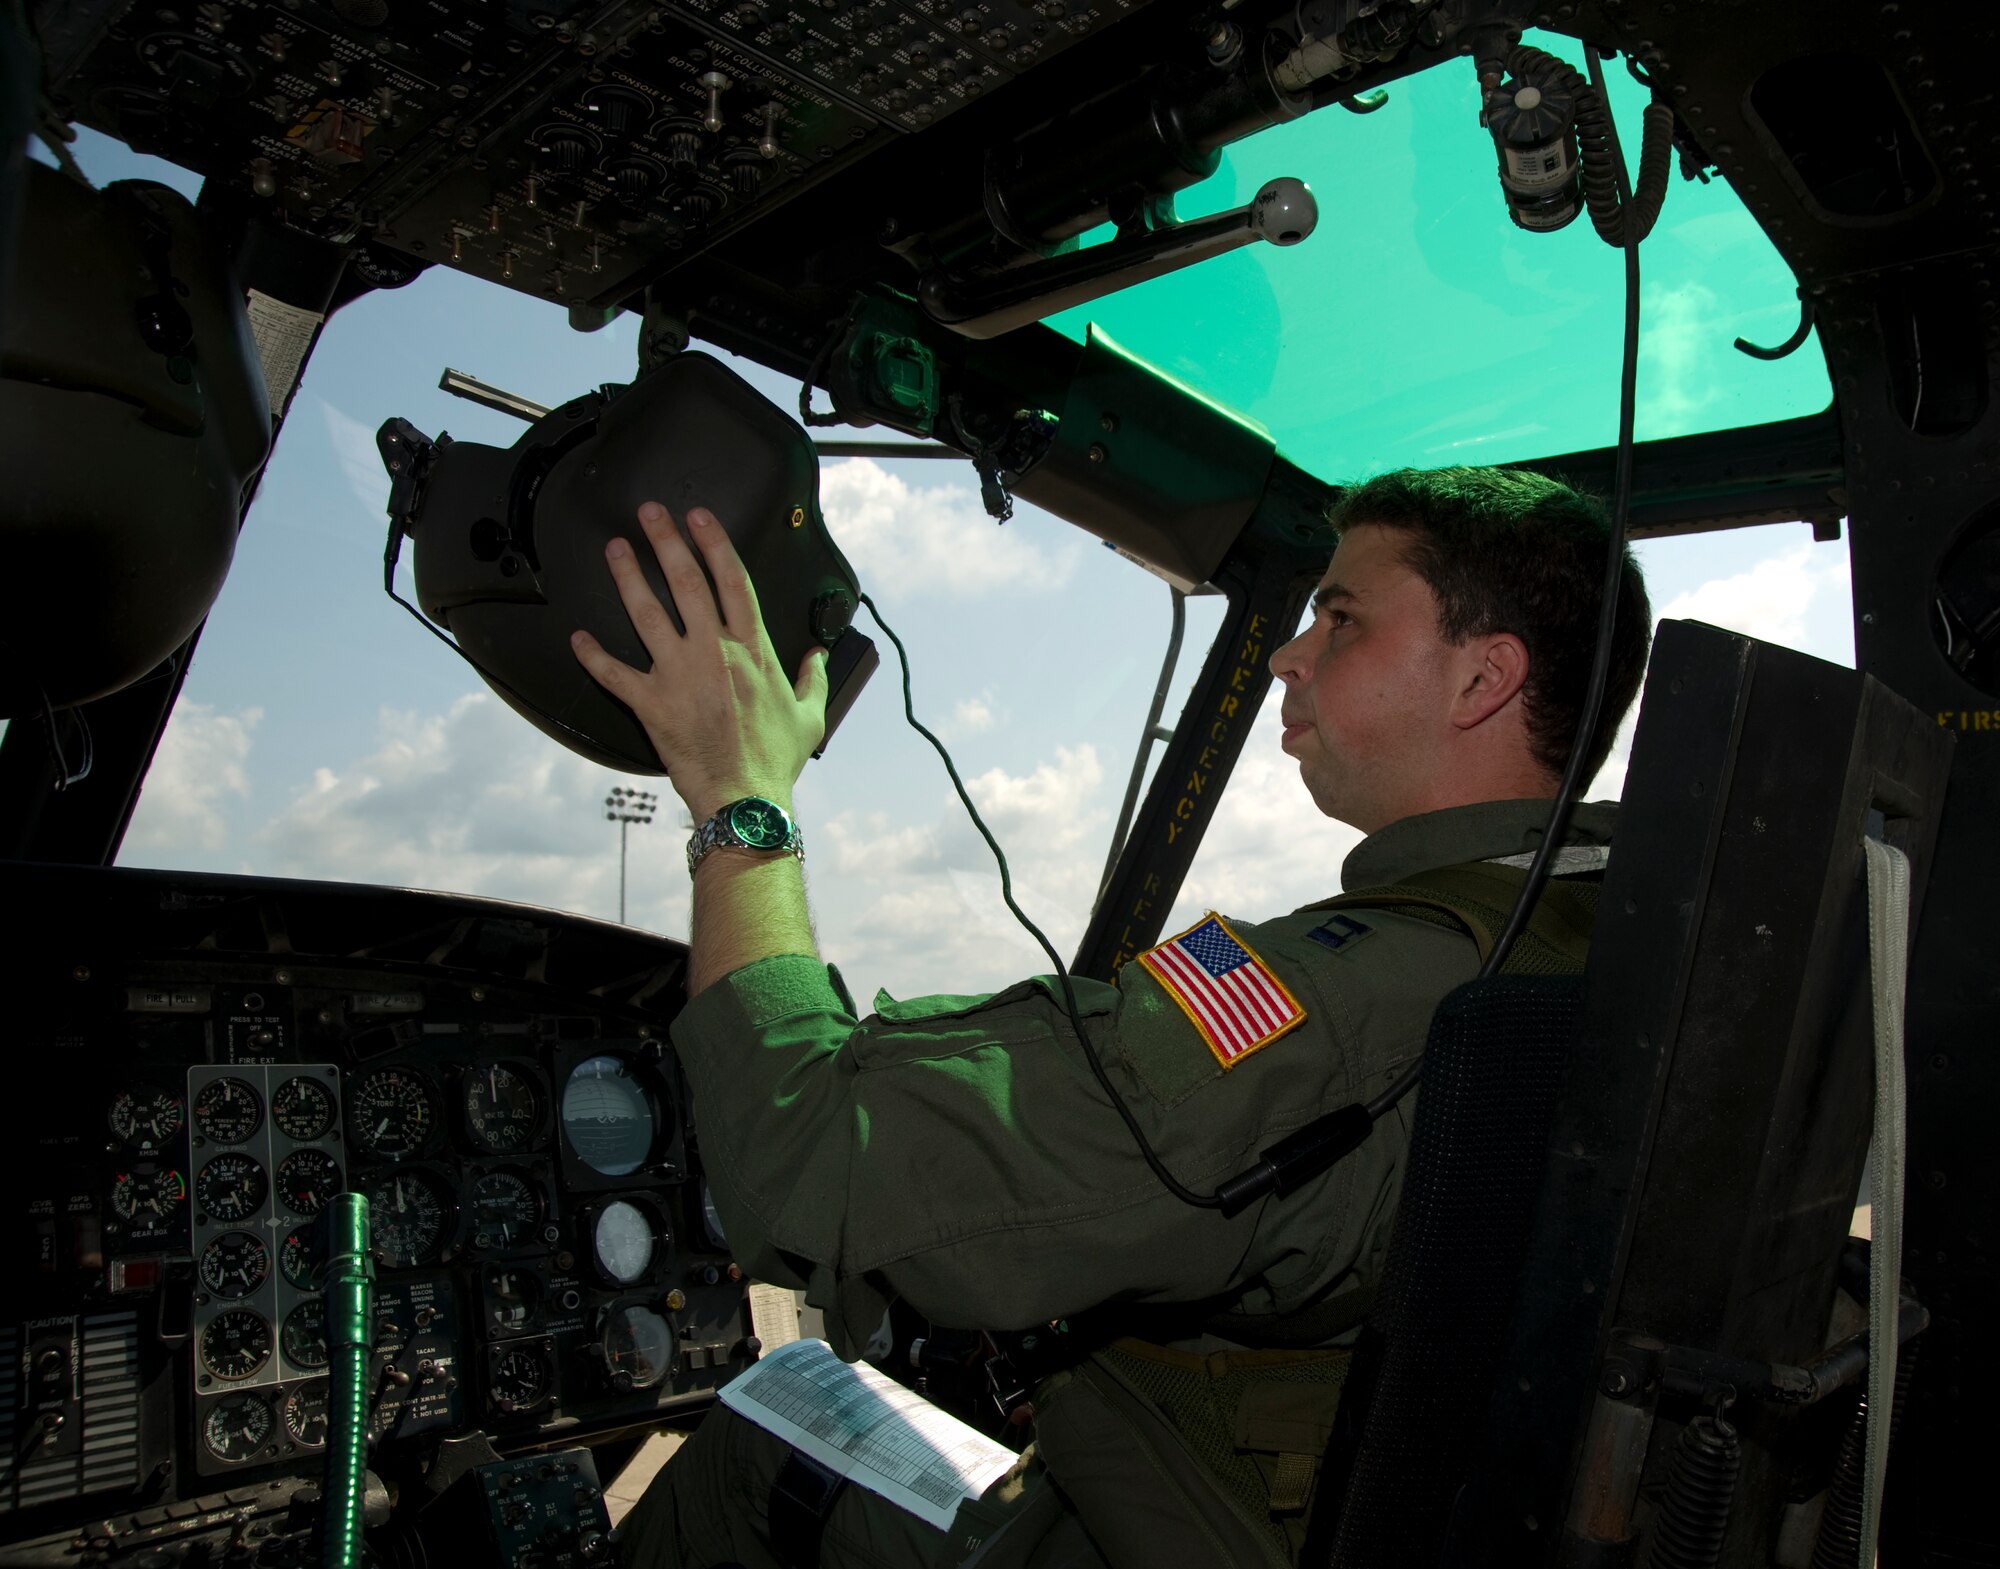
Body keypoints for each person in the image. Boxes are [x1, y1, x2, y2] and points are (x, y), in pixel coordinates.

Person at [569, 466, 1653, 1569]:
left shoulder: (1340, 991)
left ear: (1482, 678)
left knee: (770, 1417)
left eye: (1340, 617)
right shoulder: (1620, 932)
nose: (1287, 654)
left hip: (1191, 1523)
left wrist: (736, 793)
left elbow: (805, 1158)